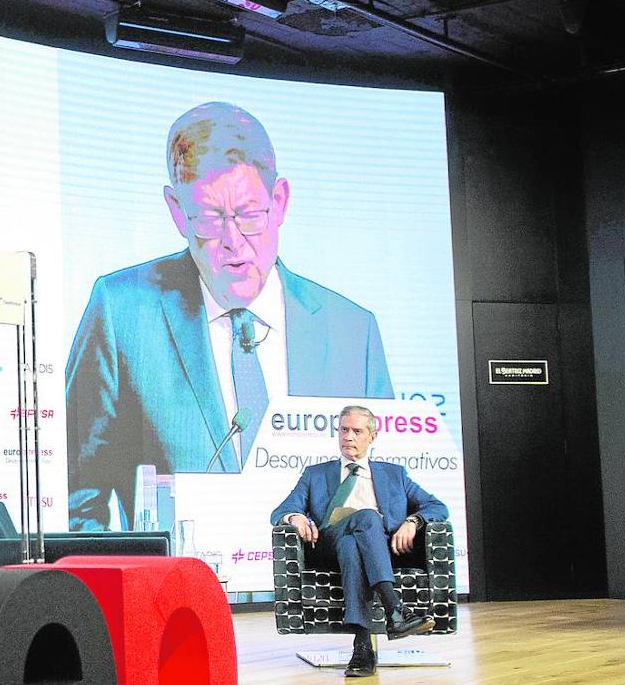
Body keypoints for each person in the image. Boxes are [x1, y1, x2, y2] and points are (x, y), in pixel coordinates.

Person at [67, 101, 392, 530]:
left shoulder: (353, 332)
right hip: (179, 594)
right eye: (210, 218)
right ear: (176, 211)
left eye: (249, 214)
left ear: (279, 202)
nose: (234, 242)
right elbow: (77, 503)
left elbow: (386, 490)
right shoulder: (121, 311)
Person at [270, 405, 446, 677]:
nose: (348, 437)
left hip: (376, 549)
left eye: (356, 431)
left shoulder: (393, 474)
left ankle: (362, 648)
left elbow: (437, 506)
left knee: (354, 544)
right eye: (343, 430)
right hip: (328, 543)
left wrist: (413, 522)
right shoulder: (315, 474)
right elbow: (280, 511)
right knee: (366, 518)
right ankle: (395, 609)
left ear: (372, 437)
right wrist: (295, 518)